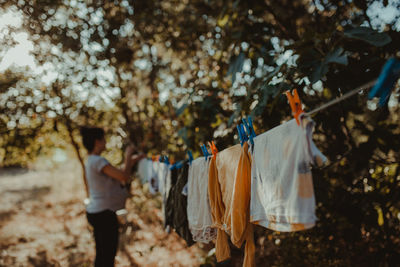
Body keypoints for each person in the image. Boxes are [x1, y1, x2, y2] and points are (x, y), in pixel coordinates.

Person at [80, 126, 145, 267]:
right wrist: (128, 155)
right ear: (97, 142)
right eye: (103, 139)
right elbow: (123, 177)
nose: (105, 142)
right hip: (104, 215)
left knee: (102, 254)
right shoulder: (98, 161)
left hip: (97, 213)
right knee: (107, 257)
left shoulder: (91, 160)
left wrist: (131, 161)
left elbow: (117, 173)